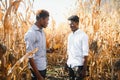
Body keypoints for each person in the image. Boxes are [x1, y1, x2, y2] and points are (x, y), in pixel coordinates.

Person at [24, 10, 54, 80]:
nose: (48, 22)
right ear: (41, 19)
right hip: (36, 70)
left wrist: (48, 50)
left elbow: (38, 49)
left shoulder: (42, 32)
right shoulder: (31, 33)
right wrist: (38, 76)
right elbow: (29, 56)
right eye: (47, 20)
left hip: (43, 66)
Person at [66, 15, 89, 80]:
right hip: (70, 64)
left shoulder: (83, 36)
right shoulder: (70, 36)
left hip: (78, 65)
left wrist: (84, 70)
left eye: (72, 23)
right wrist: (67, 63)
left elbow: (85, 54)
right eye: (70, 24)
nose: (71, 25)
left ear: (77, 23)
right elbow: (69, 50)